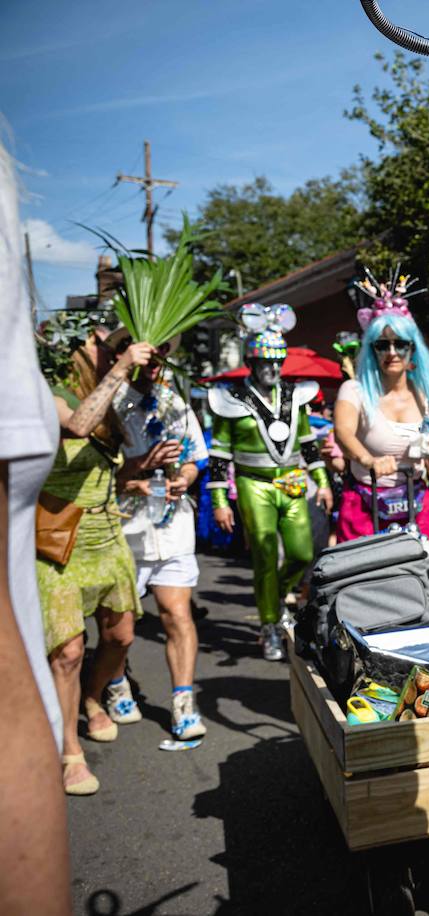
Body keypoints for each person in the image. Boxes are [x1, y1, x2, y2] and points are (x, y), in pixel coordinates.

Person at [0, 135, 71, 911]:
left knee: (108, 635)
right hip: (70, 529)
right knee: (76, 644)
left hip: (113, 517)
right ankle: (83, 729)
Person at [40, 317, 151, 794]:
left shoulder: (110, 400)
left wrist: (137, 476)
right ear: (77, 350)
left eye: (119, 347)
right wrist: (124, 366)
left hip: (107, 538)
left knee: (121, 637)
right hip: (59, 541)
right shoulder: (56, 394)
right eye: (105, 347)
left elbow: (111, 465)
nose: (114, 352)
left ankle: (91, 697)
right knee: (65, 651)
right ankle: (70, 751)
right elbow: (79, 425)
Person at [208, 305, 332, 661]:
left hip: (293, 480)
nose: (273, 369)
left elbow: (308, 443)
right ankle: (269, 625)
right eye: (266, 363)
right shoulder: (229, 399)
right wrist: (219, 502)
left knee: (302, 554)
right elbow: (219, 456)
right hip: (253, 482)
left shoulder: (297, 396)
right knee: (263, 553)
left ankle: (274, 597)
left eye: (278, 362)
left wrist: (321, 481)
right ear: (252, 362)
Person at [110, 342, 208, 739]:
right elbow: (99, 474)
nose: (155, 364)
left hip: (171, 527)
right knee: (120, 627)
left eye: (161, 356)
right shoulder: (111, 404)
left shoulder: (175, 402)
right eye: (149, 355)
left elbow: (192, 458)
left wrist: (183, 477)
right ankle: (115, 682)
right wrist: (140, 470)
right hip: (125, 528)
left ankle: (183, 703)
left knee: (177, 614)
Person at [333, 271, 429, 541]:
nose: (391, 352)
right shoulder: (353, 391)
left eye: (400, 344)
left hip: (417, 504)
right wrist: (369, 460)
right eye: (382, 345)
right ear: (372, 349)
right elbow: (343, 434)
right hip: (366, 506)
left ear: (412, 349)